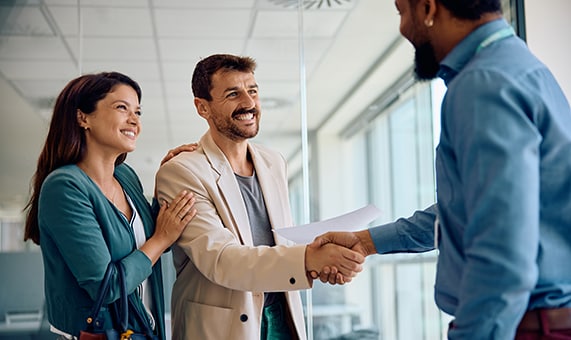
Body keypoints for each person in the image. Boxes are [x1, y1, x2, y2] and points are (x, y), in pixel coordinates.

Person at [310, 0, 571, 339]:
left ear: (429, 8)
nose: (404, 28)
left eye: (402, 12)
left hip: (522, 327)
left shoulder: (481, 84)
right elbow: (470, 209)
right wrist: (366, 241)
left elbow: (501, 247)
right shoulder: (522, 68)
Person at [154, 54, 365, 340]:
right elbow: (222, 259)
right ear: (202, 107)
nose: (249, 102)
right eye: (233, 94)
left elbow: (280, 242)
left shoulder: (273, 161)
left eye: (253, 90)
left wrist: (318, 265)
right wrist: (308, 260)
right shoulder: (182, 171)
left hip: (281, 315)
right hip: (224, 327)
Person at [23, 71, 197, 339]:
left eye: (138, 112)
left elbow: (153, 236)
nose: (134, 121)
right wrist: (161, 239)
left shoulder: (125, 177)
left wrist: (171, 175)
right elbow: (107, 285)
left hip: (145, 329)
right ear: (83, 117)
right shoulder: (65, 186)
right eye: (121, 108)